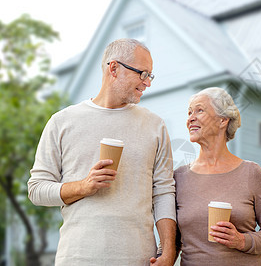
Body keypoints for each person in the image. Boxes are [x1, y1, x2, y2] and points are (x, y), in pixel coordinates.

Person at [28, 38, 176, 266]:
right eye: (142, 74)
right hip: (77, 258)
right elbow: (37, 189)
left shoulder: (155, 126)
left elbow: (164, 192)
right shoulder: (62, 122)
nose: (147, 83)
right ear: (114, 68)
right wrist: (84, 186)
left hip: (138, 259)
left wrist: (167, 251)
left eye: (150, 76)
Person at [174, 87, 261, 265]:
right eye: (189, 112)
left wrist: (241, 241)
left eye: (199, 110)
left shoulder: (251, 173)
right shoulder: (179, 177)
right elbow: (173, 240)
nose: (190, 118)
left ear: (223, 120)